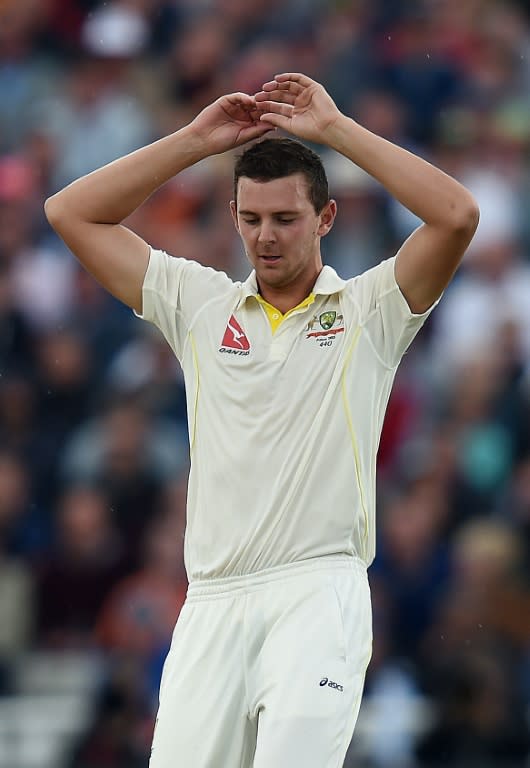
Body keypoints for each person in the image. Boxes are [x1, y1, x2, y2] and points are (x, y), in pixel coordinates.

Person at [44, 72, 479, 768]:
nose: (265, 238)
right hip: (211, 601)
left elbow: (456, 215)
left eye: (286, 219)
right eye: (250, 220)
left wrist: (335, 130)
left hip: (317, 591)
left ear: (326, 218)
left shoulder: (369, 311)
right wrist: (192, 142)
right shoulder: (199, 303)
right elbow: (70, 212)